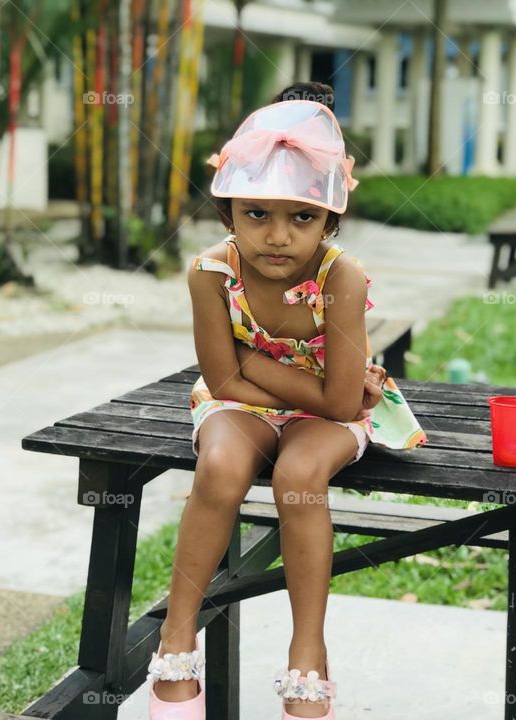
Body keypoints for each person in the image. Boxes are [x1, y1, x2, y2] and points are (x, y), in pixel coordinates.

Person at [146, 82, 428, 720]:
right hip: (245, 404)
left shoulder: (341, 278)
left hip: (329, 413)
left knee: (299, 475)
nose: (278, 237)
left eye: (302, 217)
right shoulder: (210, 273)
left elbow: (335, 405)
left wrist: (251, 362)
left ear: (330, 219)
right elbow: (221, 386)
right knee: (219, 466)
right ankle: (176, 635)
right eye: (257, 214)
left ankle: (307, 650)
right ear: (227, 213)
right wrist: (247, 370)